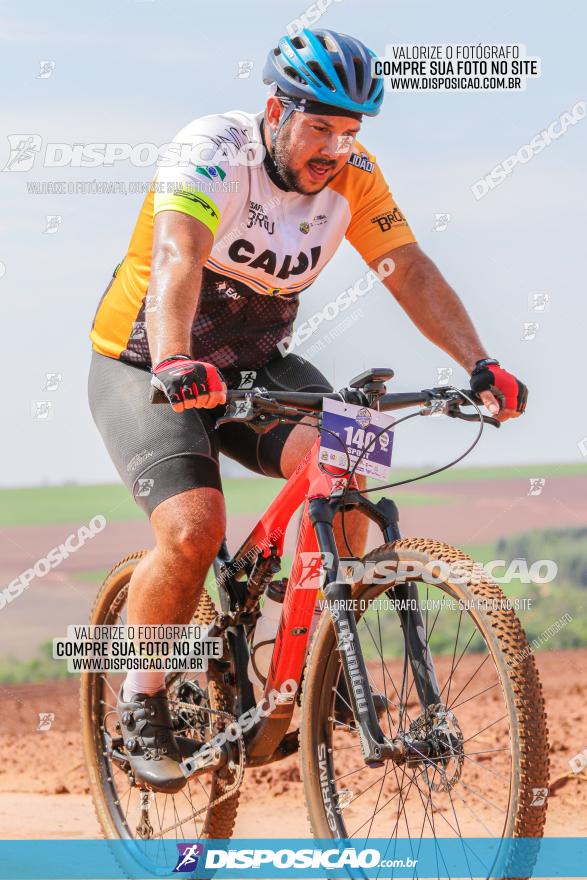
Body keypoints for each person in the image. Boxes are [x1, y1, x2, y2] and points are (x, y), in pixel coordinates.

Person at [88, 28, 527, 792]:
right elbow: (177, 259)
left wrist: (478, 364)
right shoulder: (211, 150)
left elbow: (408, 269)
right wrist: (172, 357)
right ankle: (139, 699)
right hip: (148, 362)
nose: (334, 146)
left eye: (349, 130)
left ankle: (329, 661)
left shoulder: (353, 174)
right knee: (192, 532)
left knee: (355, 452)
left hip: (256, 366)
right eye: (318, 125)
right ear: (275, 109)